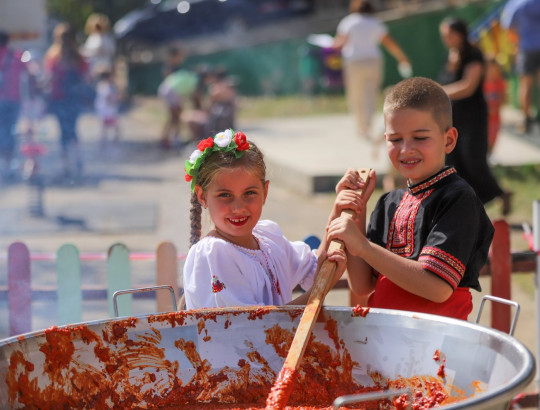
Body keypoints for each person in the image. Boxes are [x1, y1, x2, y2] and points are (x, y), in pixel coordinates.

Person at [326, 77, 494, 320]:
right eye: (395, 140)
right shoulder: (388, 203)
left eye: (420, 137)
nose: (405, 149)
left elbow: (437, 288)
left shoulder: (457, 198)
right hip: (384, 342)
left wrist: (363, 246)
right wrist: (356, 211)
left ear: (449, 140)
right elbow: (363, 285)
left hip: (436, 347)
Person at [182, 129, 347, 309]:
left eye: (249, 193)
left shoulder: (269, 237)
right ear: (202, 196)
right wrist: (320, 290)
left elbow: (312, 268)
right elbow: (258, 327)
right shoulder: (214, 253)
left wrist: (338, 212)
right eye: (225, 195)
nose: (238, 208)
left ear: (265, 192)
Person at [438, 17, 511, 215]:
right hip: (452, 117)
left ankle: (501, 194)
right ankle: (464, 206)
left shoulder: (473, 54)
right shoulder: (450, 56)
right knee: (452, 162)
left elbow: (468, 87)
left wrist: (438, 91)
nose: (446, 39)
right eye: (444, 35)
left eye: (450, 34)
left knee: (474, 161)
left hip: (472, 117)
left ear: (460, 34)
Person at [333, 0, 412, 141]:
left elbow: (339, 43)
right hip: (373, 61)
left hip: (353, 62)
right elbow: (389, 43)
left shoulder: (348, 22)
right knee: (370, 93)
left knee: (355, 95)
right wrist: (402, 58)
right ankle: (367, 125)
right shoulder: (375, 22)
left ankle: (360, 125)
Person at [501, 0, 540, 134]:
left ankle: (526, 120)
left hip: (527, 48)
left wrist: (516, 43)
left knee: (526, 85)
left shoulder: (517, 3)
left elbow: (507, 25)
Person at [43, 23, 90, 180]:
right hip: (73, 99)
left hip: (59, 98)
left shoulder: (53, 56)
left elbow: (49, 78)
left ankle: (66, 165)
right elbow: (86, 77)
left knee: (63, 131)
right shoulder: (79, 56)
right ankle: (77, 160)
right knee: (73, 131)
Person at [0, 30, 28, 181]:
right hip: (13, 99)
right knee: (10, 131)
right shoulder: (17, 56)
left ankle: (3, 166)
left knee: (2, 131)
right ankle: (8, 164)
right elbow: (30, 73)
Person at [483, 57, 507, 153]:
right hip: (485, 117)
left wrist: (497, 106)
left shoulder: (500, 83)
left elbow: (502, 97)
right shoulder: (481, 84)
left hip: (495, 116)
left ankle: (491, 154)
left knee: (494, 136)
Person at [94, 67, 121, 148]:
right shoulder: (105, 87)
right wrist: (117, 99)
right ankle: (110, 144)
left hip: (107, 109)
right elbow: (109, 98)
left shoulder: (107, 86)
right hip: (107, 110)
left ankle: (107, 143)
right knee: (112, 127)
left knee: (108, 127)